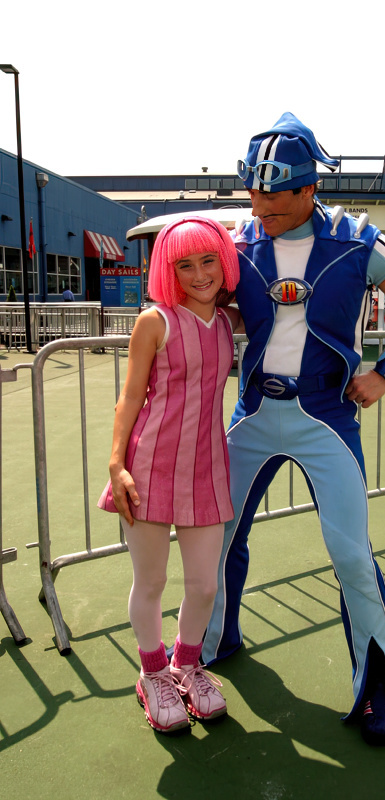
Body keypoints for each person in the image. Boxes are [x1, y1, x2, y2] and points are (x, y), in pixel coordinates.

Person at [202, 112, 385, 746]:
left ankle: (382, 688)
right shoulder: (237, 243)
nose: (259, 204)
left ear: (309, 187)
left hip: (327, 417)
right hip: (253, 412)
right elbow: (200, 302)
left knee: (349, 552)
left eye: (273, 192)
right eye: (252, 190)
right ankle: (213, 638)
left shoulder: (360, 240)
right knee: (218, 535)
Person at [98, 216, 240, 734]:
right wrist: (117, 466)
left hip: (207, 467)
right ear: (169, 269)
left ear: (223, 262)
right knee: (152, 580)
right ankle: (153, 674)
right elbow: (131, 397)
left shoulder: (228, 322)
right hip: (149, 467)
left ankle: (186, 666)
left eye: (208, 260)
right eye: (185, 264)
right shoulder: (154, 320)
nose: (199, 274)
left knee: (205, 585)